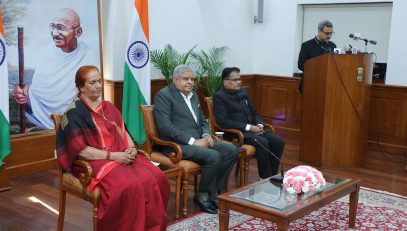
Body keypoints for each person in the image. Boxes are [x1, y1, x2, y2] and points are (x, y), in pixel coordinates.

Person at [56, 66, 169, 231]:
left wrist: (131, 148)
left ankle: (151, 227)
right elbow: (81, 150)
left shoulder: (108, 107)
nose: (98, 86)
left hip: (120, 155)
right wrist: (114, 156)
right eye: (92, 82)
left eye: (99, 81)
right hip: (92, 161)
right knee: (127, 185)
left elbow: (123, 131)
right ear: (81, 87)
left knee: (156, 176)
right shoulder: (73, 113)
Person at [154, 65, 239, 214]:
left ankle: (211, 192)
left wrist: (206, 135)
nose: (190, 82)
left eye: (192, 79)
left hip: (199, 140)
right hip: (177, 145)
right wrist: (194, 141)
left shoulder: (193, 95)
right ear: (175, 80)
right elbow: (165, 127)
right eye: (185, 79)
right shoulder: (164, 95)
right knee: (213, 156)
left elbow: (203, 121)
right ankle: (202, 196)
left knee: (231, 150)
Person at [13, 8, 99, 129]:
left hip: (76, 122)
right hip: (40, 118)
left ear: (78, 32)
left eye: (61, 28)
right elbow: (36, 95)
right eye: (52, 27)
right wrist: (22, 93)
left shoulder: (88, 56)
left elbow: (92, 95)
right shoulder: (45, 55)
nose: (55, 33)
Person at [213, 67, 285, 179]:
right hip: (236, 133)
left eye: (239, 79)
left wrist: (260, 125)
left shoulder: (243, 92)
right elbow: (224, 122)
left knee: (278, 141)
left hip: (254, 130)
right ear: (226, 81)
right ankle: (264, 178)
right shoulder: (219, 97)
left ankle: (272, 177)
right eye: (235, 80)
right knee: (263, 142)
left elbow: (254, 112)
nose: (239, 82)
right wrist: (249, 128)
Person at [297, 20, 337, 92]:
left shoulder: (333, 45)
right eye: (327, 33)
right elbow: (301, 65)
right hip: (310, 84)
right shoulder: (306, 45)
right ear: (319, 30)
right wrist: (317, 71)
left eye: (331, 33)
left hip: (327, 84)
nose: (329, 36)